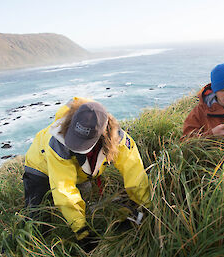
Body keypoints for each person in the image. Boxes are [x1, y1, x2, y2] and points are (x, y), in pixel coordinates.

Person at [23, 97, 150, 249]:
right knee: (37, 219)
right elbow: (64, 188)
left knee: (86, 203)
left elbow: (135, 174)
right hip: (39, 167)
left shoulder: (119, 139)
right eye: (76, 139)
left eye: (84, 142)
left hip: (80, 172)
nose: (77, 146)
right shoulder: (58, 143)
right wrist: (81, 231)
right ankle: (21, 245)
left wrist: (146, 207)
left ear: (103, 134)